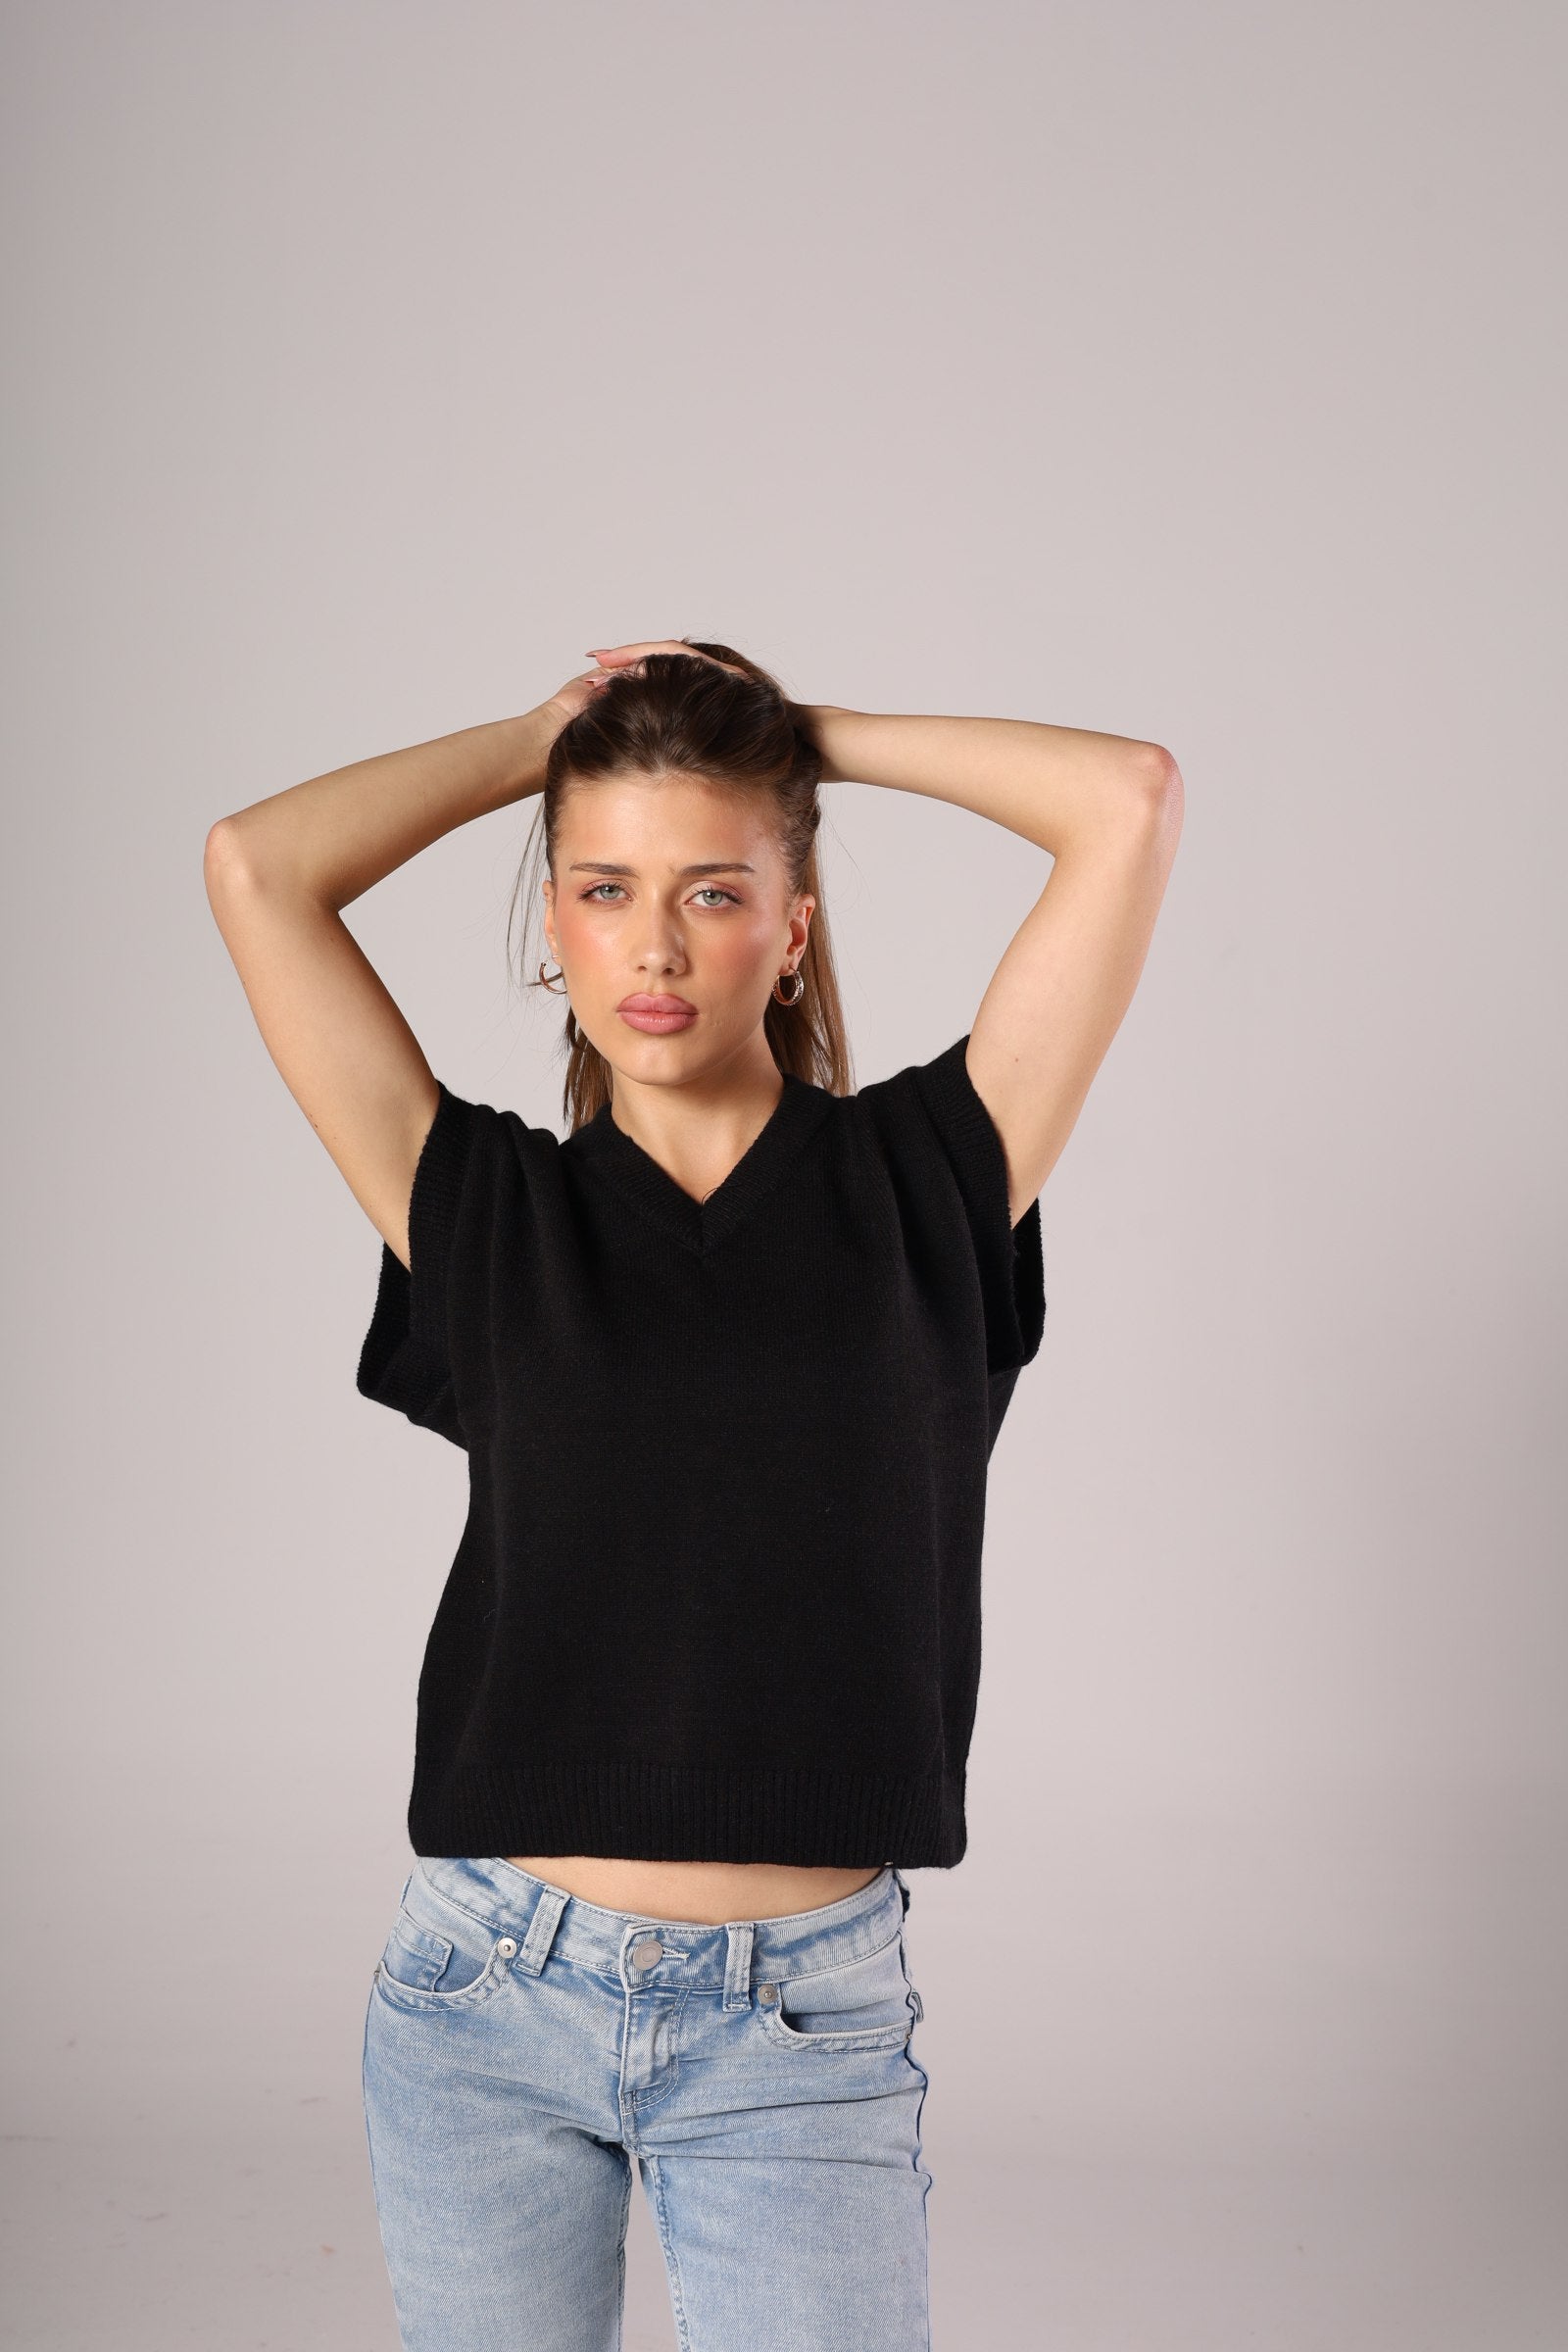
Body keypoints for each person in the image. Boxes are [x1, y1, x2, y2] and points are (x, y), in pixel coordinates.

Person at [203, 637, 1182, 2350]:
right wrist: (542, 736)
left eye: (715, 891)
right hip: (484, 1995)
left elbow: (1128, 801)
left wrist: (803, 740)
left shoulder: (929, 1183)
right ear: (556, 923)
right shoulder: (484, 1206)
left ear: (793, 928)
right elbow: (256, 867)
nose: (654, 946)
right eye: (605, 890)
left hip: (794, 2021)